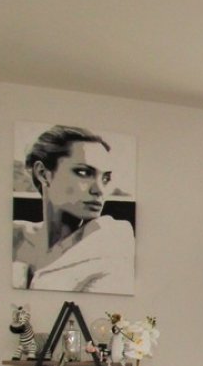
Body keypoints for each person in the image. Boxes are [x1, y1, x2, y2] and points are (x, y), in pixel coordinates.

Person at [12, 125, 134, 293]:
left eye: (105, 178)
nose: (99, 190)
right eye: (83, 173)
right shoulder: (16, 235)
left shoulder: (110, 240)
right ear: (43, 173)